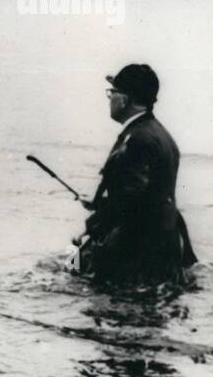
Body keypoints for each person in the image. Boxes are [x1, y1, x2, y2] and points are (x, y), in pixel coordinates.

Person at [77, 63, 197, 286]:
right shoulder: (160, 134)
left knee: (112, 310)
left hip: (138, 253)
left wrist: (92, 227)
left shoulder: (138, 139)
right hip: (164, 246)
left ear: (125, 99)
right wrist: (99, 204)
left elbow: (129, 202)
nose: (110, 98)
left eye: (112, 92)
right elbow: (146, 195)